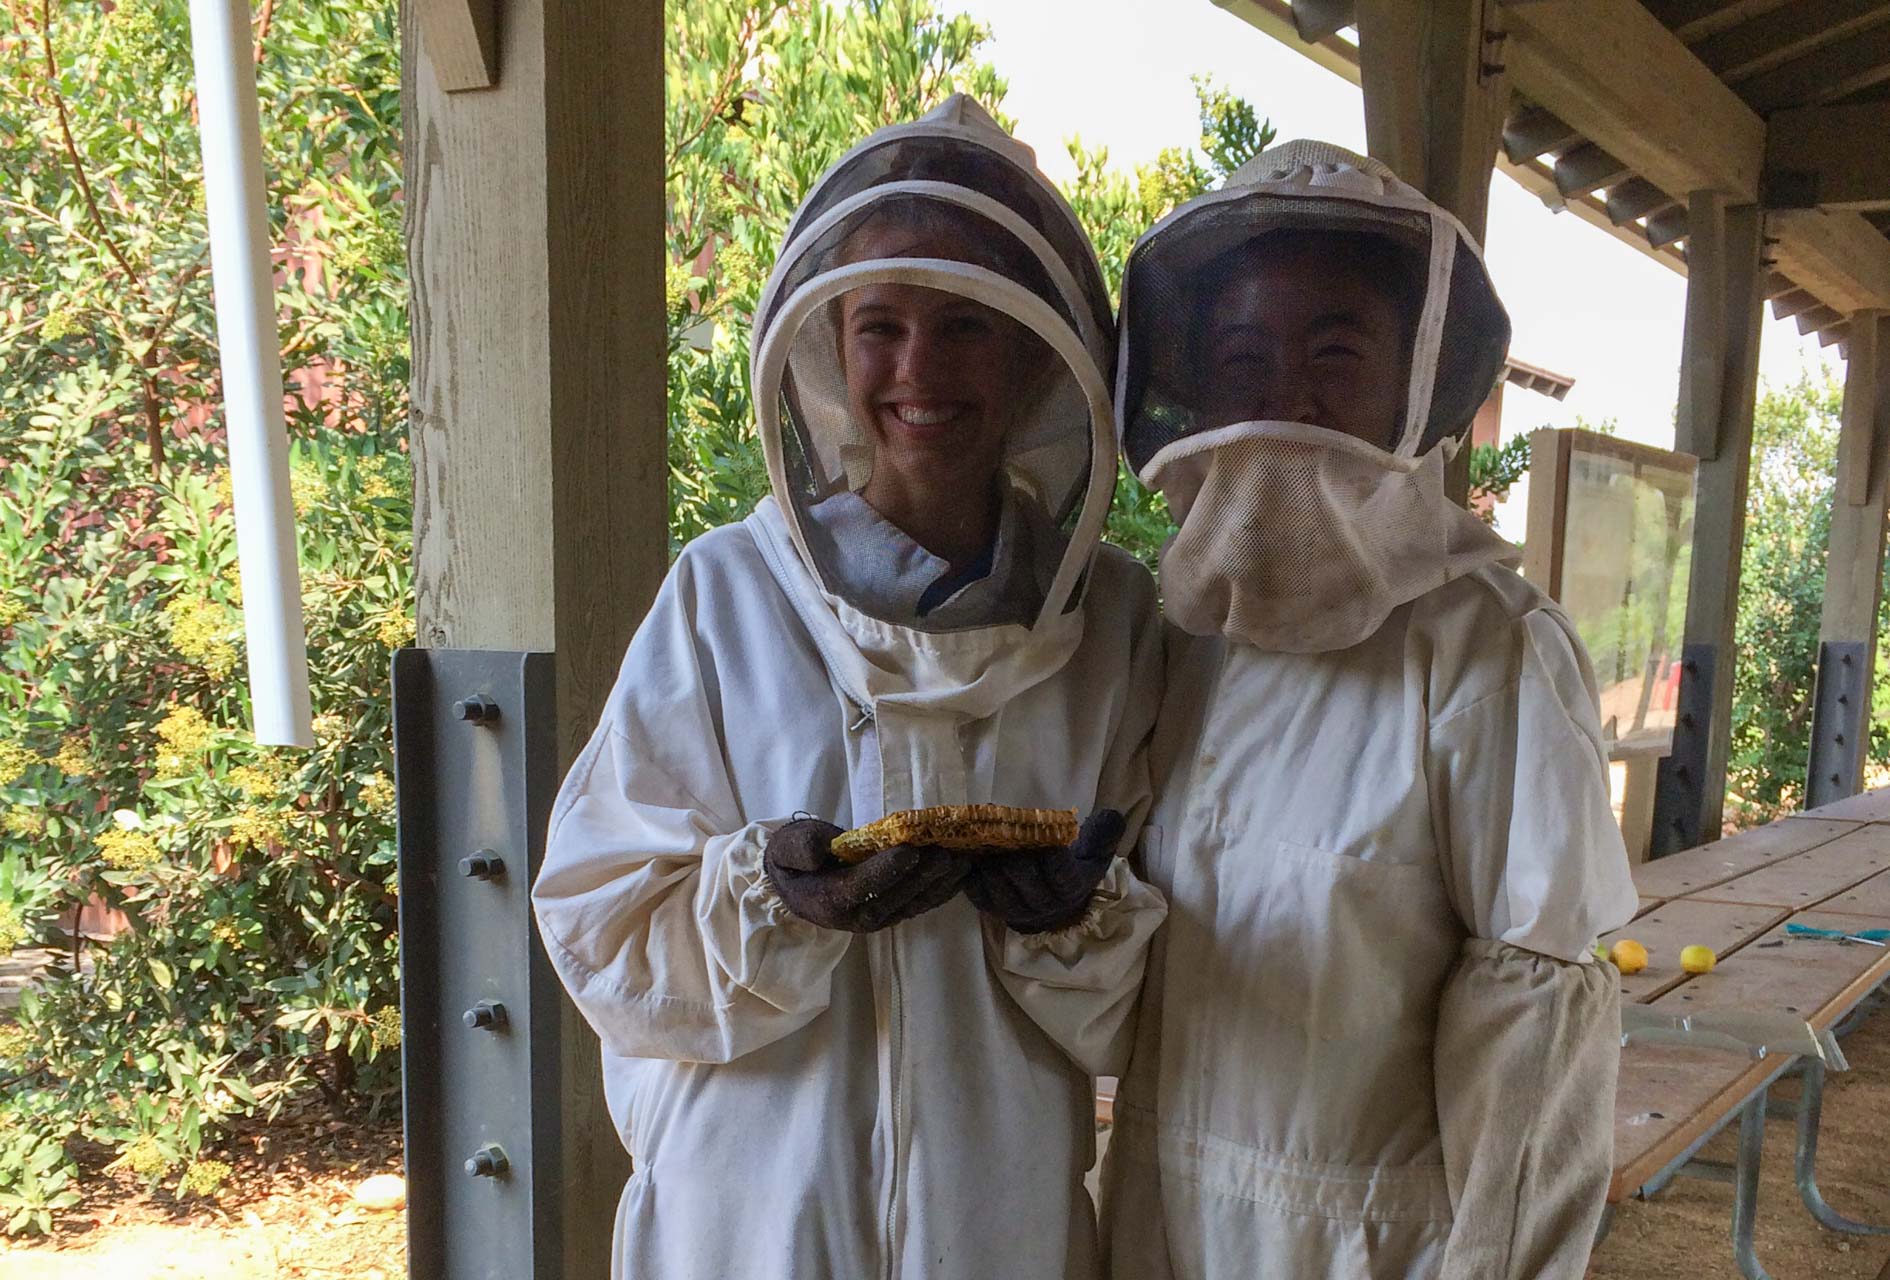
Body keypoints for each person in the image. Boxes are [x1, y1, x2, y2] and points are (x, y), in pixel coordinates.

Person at [531, 95, 1168, 1280]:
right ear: (827, 346)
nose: (920, 368)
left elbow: (1170, 1000)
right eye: (882, 324)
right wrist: (765, 898)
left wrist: (1079, 921)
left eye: (969, 325)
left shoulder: (1117, 623)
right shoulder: (724, 593)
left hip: (1002, 1221)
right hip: (751, 1220)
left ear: (1038, 351)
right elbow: (597, 916)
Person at [1098, 139, 1639, 1279]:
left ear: (1420, 376)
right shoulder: (1175, 640)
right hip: (1155, 1228)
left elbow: (1536, 1045)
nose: (1285, 392)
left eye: (1335, 351)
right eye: (1244, 354)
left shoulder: (1491, 649)